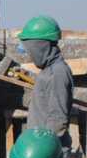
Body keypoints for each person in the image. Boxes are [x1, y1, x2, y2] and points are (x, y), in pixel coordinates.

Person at [17, 15, 74, 150]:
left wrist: (42, 152)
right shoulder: (49, 70)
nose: (29, 55)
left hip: (46, 152)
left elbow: (57, 119)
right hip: (40, 148)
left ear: (40, 46)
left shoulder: (57, 73)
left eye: (30, 49)